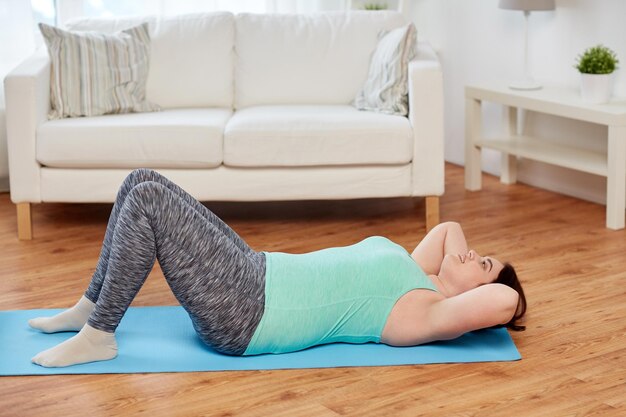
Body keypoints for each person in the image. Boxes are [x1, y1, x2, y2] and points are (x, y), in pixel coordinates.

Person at [29, 169, 527, 368]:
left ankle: (100, 334)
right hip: (255, 268)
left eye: (481, 263)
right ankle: (91, 306)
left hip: (250, 312)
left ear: (472, 300)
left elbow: (503, 300)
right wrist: (472, 265)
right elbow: (451, 229)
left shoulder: (426, 312)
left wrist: (491, 286)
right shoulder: (420, 272)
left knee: (150, 203)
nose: (468, 253)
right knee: (140, 181)